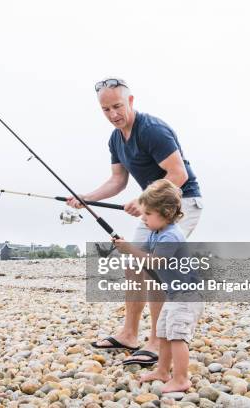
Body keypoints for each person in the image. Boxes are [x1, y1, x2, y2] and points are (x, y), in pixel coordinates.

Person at [67, 77, 203, 366]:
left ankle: (156, 341)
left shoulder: (153, 130)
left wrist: (143, 201)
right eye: (105, 110)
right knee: (134, 264)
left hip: (182, 201)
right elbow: (117, 180)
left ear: (130, 101)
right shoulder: (116, 139)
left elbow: (179, 176)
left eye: (117, 106)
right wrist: (86, 197)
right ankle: (129, 334)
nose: (113, 114)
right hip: (153, 205)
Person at [112, 179, 204, 392]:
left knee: (177, 336)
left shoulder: (171, 235)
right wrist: (124, 246)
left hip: (187, 296)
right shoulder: (156, 232)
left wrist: (130, 250)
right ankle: (163, 371)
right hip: (174, 295)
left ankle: (181, 378)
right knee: (162, 332)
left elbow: (153, 261)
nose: (143, 219)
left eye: (148, 214)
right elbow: (140, 254)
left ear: (167, 212)